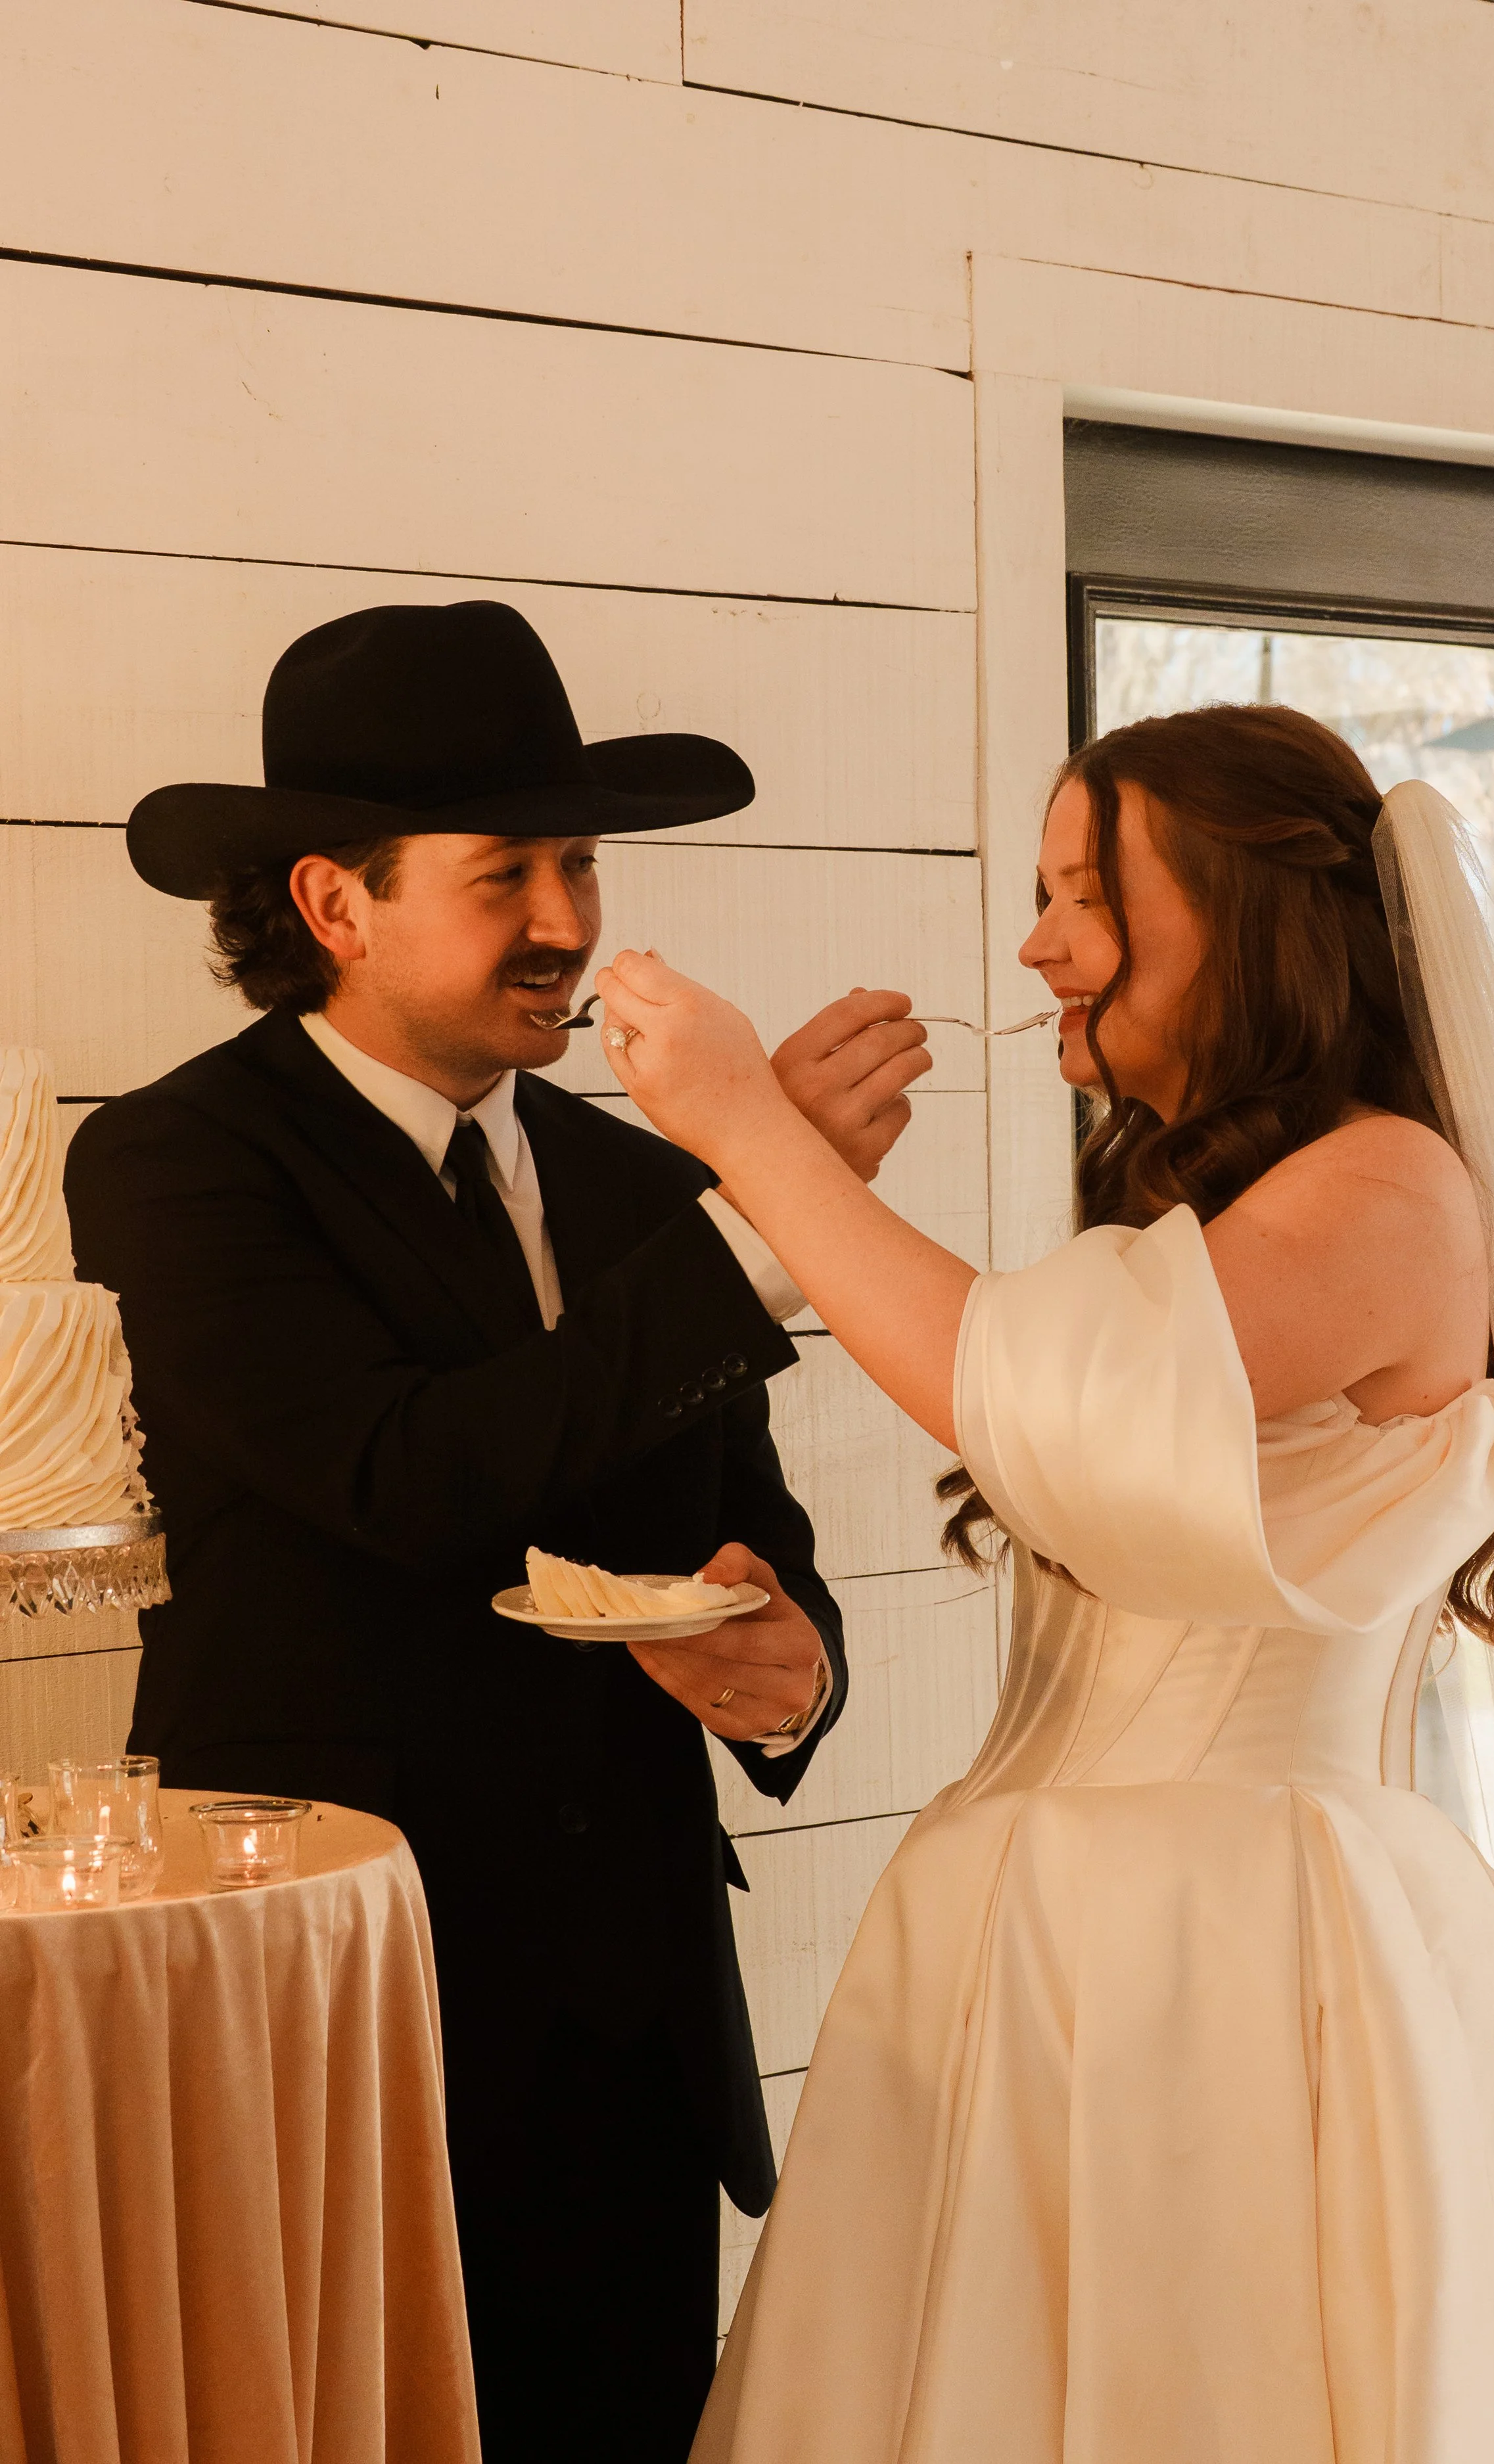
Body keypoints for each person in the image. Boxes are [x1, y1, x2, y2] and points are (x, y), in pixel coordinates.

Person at [595, 703, 1494, 2461]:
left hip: (1227, 1962)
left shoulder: (1390, 1185)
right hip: (1043, 1940)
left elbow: (1038, 1398)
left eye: (1084, 894)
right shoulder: (1235, 1202)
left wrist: (746, 1130)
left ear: (1247, 911)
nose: (1034, 945)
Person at [63, 600, 931, 2463]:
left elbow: (752, 1538)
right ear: (333, 901)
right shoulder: (177, 1160)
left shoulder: (636, 1184)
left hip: (627, 2043)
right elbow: (407, 1473)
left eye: (581, 860)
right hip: (325, 2010)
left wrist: (788, 1673)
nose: (568, 919)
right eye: (505, 872)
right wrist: (768, 1221)